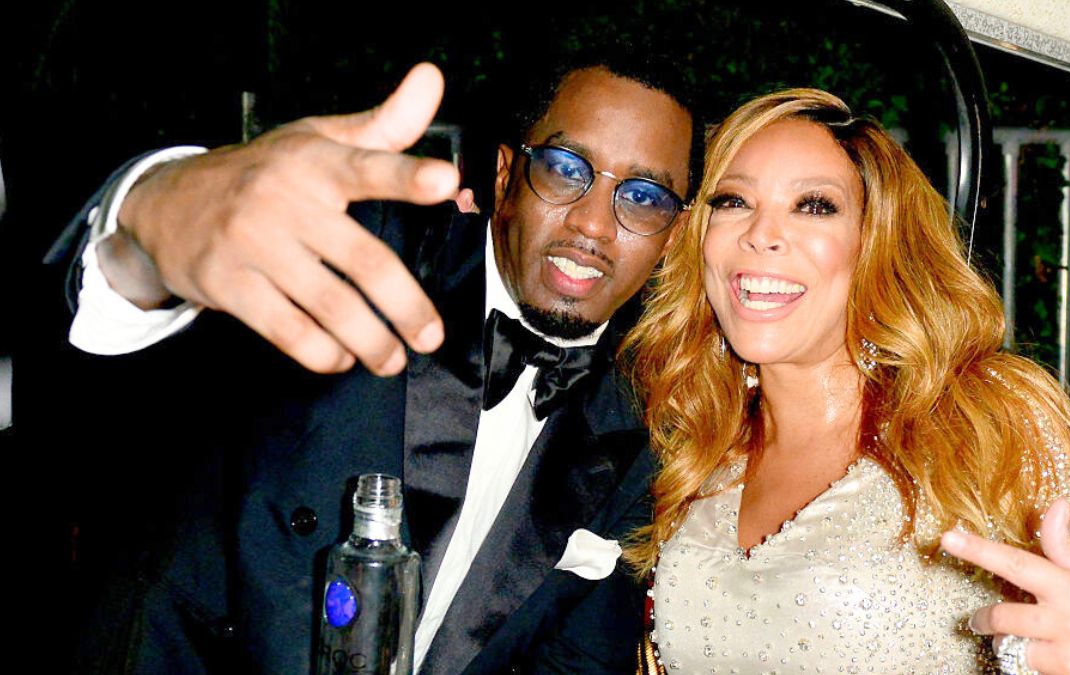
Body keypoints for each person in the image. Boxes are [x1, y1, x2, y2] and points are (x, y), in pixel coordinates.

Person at [50, 57, 700, 673]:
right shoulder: (369, 250)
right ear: (506, 178)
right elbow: (95, 354)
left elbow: (576, 660)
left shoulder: (645, 425)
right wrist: (146, 222)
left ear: (673, 234)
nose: (593, 223)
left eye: (643, 196)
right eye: (565, 167)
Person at [621, 88, 1070, 673]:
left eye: (815, 205)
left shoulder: (984, 422)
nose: (761, 234)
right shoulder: (693, 442)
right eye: (733, 200)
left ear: (877, 242)